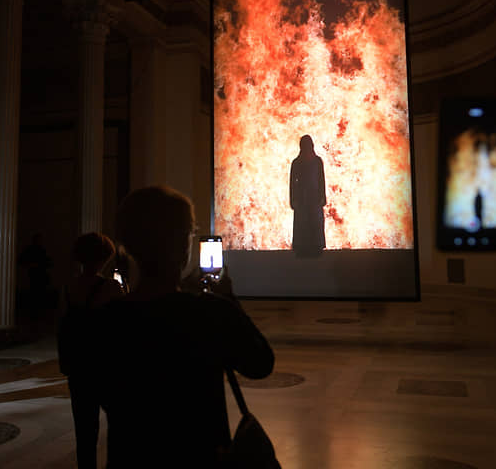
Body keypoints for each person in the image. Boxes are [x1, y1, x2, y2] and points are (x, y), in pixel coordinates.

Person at [94, 186, 274, 468]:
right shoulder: (209, 311)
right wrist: (229, 299)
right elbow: (260, 363)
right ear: (183, 245)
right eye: (190, 231)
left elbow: (104, 396)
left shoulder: (106, 320)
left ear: (127, 244)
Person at [58, 232, 123, 469]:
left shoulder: (68, 287)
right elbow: (123, 327)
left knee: (84, 434)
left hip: (78, 369)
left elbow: (62, 325)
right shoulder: (111, 287)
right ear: (104, 257)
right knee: (118, 427)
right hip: (106, 368)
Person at [289, 134, 326, 255]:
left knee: (315, 222)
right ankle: (301, 248)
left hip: (314, 198)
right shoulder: (296, 163)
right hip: (302, 199)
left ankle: (317, 247)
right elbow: (292, 183)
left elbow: (321, 180)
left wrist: (322, 197)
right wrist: (293, 200)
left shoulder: (317, 161)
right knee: (302, 223)